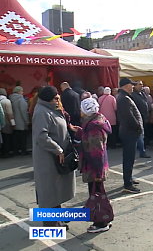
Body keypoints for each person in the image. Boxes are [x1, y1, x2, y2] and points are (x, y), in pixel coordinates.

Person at [32, 86, 75, 228]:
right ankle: (50, 226)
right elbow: (41, 135)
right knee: (49, 191)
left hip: (56, 157)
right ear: (47, 98)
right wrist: (57, 149)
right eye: (55, 98)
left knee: (56, 189)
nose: (58, 100)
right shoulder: (42, 112)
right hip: (48, 158)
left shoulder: (50, 109)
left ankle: (58, 220)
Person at [72, 98, 113, 233]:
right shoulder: (95, 121)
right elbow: (87, 137)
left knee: (96, 194)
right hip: (95, 166)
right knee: (97, 193)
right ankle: (103, 219)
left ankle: (101, 222)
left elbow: (97, 150)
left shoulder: (94, 126)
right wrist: (77, 130)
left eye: (82, 109)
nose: (80, 111)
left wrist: (97, 173)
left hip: (95, 167)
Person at [116, 78, 142, 194]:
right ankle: (128, 183)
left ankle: (129, 179)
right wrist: (138, 126)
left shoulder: (123, 97)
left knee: (129, 158)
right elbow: (129, 117)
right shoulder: (123, 98)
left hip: (128, 131)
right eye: (132, 85)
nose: (133, 87)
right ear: (126, 85)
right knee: (128, 158)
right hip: (129, 132)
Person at [132, 80, 151, 157]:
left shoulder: (142, 94)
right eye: (139, 84)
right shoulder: (133, 95)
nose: (141, 86)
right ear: (135, 85)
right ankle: (142, 152)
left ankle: (141, 149)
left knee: (141, 135)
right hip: (138, 118)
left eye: (142, 84)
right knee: (140, 135)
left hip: (144, 117)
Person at [9, 86, 30, 156]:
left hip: (14, 122)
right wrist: (27, 121)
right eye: (21, 91)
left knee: (15, 138)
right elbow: (24, 111)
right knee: (23, 138)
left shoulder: (10, 99)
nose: (22, 92)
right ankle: (23, 151)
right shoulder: (21, 100)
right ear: (18, 92)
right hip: (21, 122)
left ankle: (16, 151)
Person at [0, 88, 14, 158]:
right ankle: (6, 152)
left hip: (0, 124)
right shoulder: (6, 101)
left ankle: (2, 152)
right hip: (6, 122)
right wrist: (13, 123)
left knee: (1, 138)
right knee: (7, 138)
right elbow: (9, 113)